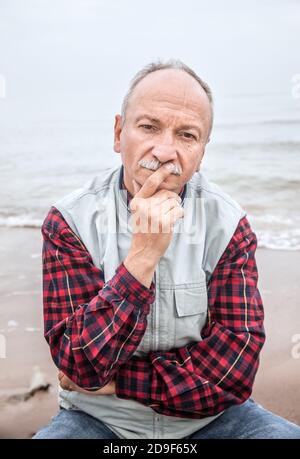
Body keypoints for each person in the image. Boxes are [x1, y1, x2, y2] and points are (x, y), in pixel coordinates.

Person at [33, 60, 300, 439]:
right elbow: (81, 365)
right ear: (117, 133)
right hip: (100, 420)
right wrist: (142, 257)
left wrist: (119, 384)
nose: (164, 150)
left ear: (202, 152)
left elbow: (234, 373)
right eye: (148, 127)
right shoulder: (69, 221)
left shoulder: (228, 224)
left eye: (187, 135)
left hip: (213, 420)